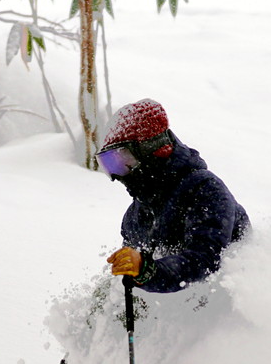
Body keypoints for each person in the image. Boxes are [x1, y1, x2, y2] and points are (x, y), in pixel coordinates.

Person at [98, 99, 249, 292]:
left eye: (123, 160)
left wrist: (147, 270)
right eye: (109, 164)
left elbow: (205, 260)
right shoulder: (136, 215)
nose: (118, 174)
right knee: (104, 297)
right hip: (169, 298)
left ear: (154, 150)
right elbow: (136, 272)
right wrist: (132, 268)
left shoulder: (205, 191)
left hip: (223, 298)